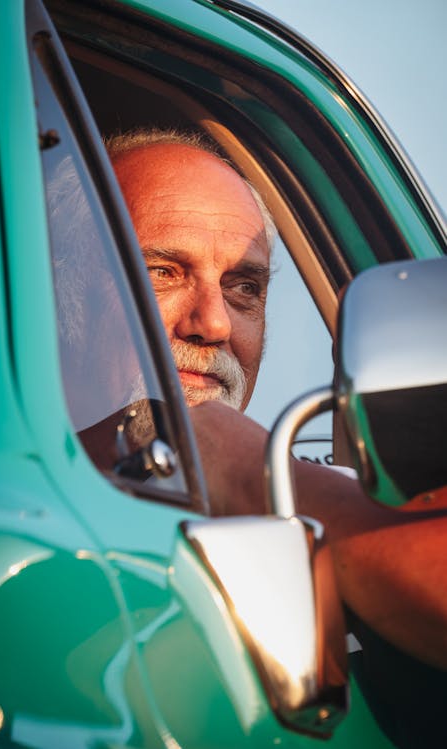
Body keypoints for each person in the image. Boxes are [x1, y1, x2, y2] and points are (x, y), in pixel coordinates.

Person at [103, 128, 447, 672]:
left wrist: (250, 471)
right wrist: (246, 466)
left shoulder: (306, 492)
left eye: (244, 287)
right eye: (160, 272)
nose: (214, 324)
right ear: (54, 291)